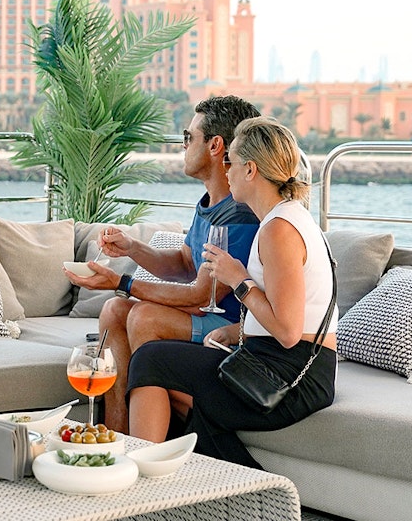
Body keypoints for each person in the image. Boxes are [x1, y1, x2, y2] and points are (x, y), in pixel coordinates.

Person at [127, 116, 337, 468]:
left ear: (251, 170)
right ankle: (254, 493)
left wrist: (238, 280)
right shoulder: (284, 218)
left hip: (291, 374)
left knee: (152, 360)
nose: (226, 172)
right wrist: (238, 331)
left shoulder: (280, 231)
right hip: (271, 357)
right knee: (199, 407)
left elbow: (287, 332)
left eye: (232, 163)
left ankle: (136, 485)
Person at [64, 95, 261, 432]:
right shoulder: (211, 202)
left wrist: (122, 282)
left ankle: (165, 423)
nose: (182, 145)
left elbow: (201, 295)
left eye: (188, 137)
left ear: (215, 146)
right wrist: (132, 247)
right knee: (114, 310)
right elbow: (184, 262)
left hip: (227, 329)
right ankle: (115, 431)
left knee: (143, 315)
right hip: (201, 318)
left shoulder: (239, 213)